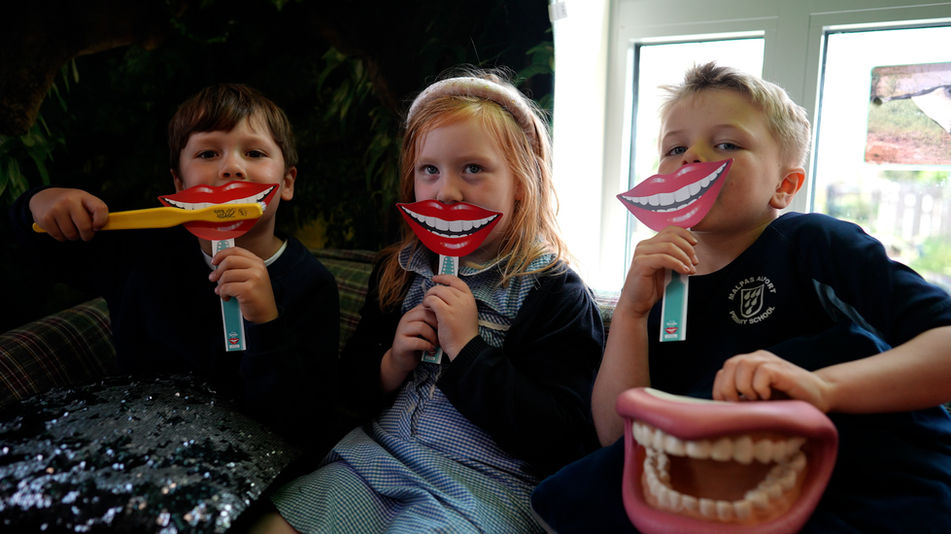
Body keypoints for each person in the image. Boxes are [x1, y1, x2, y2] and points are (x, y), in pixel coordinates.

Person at [531, 62, 951, 532]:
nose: (692, 158)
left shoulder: (814, 243)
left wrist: (822, 387)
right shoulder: (666, 284)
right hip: (740, 493)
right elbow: (621, 440)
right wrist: (630, 313)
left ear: (784, 186)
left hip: (875, 479)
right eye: (675, 147)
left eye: (726, 144)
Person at [249, 68, 605, 533]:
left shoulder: (555, 293)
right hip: (372, 463)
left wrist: (469, 351)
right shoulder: (399, 270)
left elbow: (563, 438)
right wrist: (391, 362)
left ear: (522, 181)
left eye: (473, 169)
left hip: (484, 491)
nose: (447, 191)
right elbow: (350, 389)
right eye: (429, 171)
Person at [10, 83, 340, 446]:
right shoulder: (139, 253)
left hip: (244, 461)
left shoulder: (313, 285)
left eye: (255, 152)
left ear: (288, 182)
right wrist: (37, 203)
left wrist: (264, 320)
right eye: (208, 153)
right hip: (128, 440)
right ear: (179, 182)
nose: (232, 167)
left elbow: (303, 420)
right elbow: (28, 252)